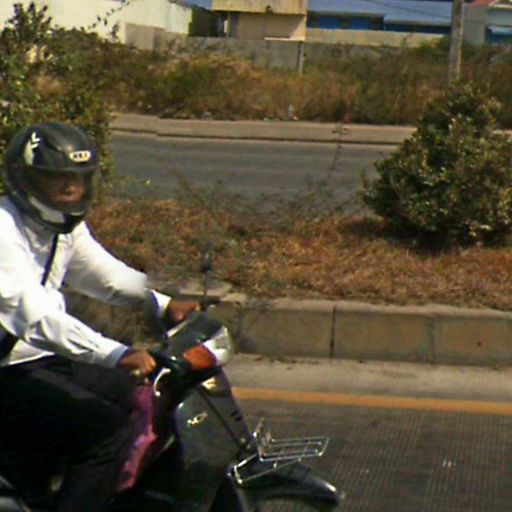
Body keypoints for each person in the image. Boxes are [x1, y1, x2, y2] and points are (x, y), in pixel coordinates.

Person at [0, 122, 199, 511]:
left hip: (39, 359)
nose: (71, 188)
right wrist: (116, 353)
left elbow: (106, 277)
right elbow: (34, 317)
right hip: (8, 370)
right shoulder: (4, 229)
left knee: (142, 392)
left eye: (78, 178)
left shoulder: (61, 227)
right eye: (58, 178)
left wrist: (162, 304)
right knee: (106, 433)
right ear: (27, 180)